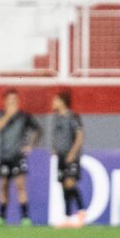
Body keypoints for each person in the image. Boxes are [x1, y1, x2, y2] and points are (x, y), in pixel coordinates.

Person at [0, 89, 42, 227]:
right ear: (5, 101)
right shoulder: (0, 115)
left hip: (18, 156)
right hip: (4, 155)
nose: (13, 102)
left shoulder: (24, 117)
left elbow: (38, 130)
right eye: (10, 100)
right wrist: (8, 115)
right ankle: (1, 217)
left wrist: (31, 145)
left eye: (15, 100)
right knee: (3, 186)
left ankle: (25, 217)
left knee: (20, 186)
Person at [51, 91, 85, 226]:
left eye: (55, 100)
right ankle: (67, 217)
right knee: (64, 186)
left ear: (62, 101)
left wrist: (73, 152)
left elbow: (80, 136)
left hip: (71, 156)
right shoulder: (56, 118)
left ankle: (82, 211)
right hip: (60, 156)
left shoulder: (73, 117)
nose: (53, 103)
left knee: (71, 183)